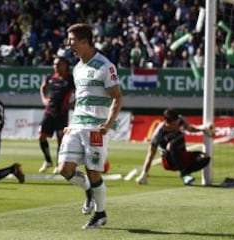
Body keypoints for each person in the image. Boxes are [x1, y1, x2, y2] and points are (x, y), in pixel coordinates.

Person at [58, 23, 122, 229]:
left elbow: (117, 98)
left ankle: (100, 214)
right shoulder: (77, 68)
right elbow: (81, 99)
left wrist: (108, 124)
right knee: (64, 169)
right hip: (77, 125)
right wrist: (72, 122)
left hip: (96, 128)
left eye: (72, 40)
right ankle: (88, 190)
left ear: (85, 41)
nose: (69, 44)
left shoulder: (105, 66)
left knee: (93, 171)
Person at [136, 108, 214, 186]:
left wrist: (202, 128)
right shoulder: (159, 133)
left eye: (177, 123)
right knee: (171, 145)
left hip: (182, 154)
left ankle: (186, 173)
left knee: (205, 157)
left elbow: (189, 128)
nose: (177, 126)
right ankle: (184, 174)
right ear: (167, 122)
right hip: (168, 161)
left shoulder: (180, 120)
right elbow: (151, 154)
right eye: (174, 124)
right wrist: (144, 174)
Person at [38, 56, 75, 174]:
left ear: (65, 65)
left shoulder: (70, 79)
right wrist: (44, 99)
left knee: (61, 141)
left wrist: (71, 104)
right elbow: (42, 87)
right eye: (54, 64)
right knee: (41, 137)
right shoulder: (50, 77)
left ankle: (60, 164)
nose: (56, 67)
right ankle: (48, 161)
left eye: (58, 64)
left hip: (61, 114)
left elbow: (80, 93)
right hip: (49, 112)